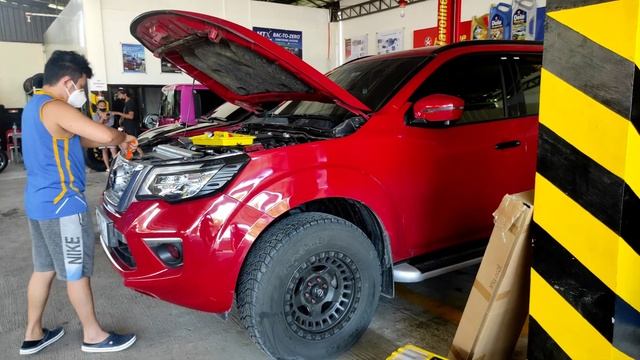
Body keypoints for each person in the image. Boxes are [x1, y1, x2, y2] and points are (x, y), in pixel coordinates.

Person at [20, 50, 138, 355]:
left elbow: (81, 138)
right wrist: (120, 137)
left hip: (38, 203)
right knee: (76, 272)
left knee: (43, 269)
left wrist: (110, 138)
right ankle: (94, 335)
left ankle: (33, 334)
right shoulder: (56, 107)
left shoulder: (34, 106)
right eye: (81, 86)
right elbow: (100, 132)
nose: (82, 93)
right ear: (67, 82)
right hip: (63, 205)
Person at [111, 88, 143, 157]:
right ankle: (138, 155)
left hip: (132, 127)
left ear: (125, 94)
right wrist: (122, 119)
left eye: (119, 94)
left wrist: (118, 113)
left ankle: (137, 156)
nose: (118, 96)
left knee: (132, 143)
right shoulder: (126, 103)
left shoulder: (130, 103)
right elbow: (126, 115)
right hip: (128, 127)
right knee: (130, 143)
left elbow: (131, 116)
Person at [91, 99, 118, 171]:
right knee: (104, 150)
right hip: (101, 135)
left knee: (113, 150)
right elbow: (97, 125)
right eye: (101, 106)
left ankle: (116, 167)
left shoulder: (110, 113)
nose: (103, 107)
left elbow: (111, 124)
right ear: (97, 106)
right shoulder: (95, 115)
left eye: (104, 106)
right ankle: (108, 168)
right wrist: (103, 118)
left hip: (110, 133)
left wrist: (105, 118)